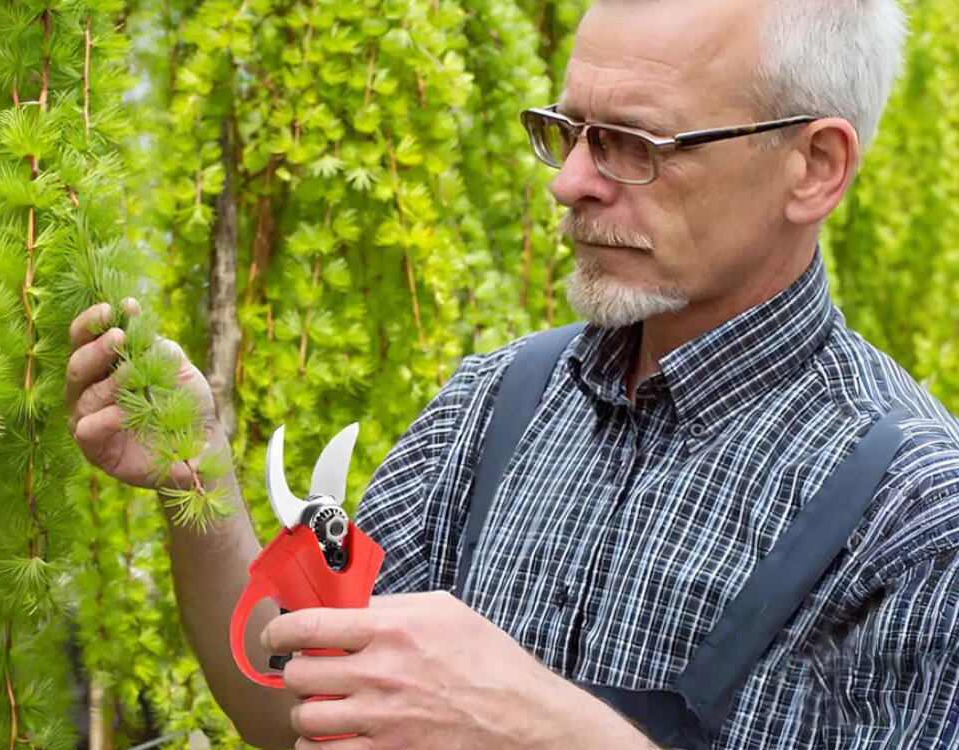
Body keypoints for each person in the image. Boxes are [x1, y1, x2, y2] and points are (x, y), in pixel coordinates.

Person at [65, 0, 959, 748]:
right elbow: (298, 707)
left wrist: (544, 729)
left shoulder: (917, 510)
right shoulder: (496, 404)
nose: (572, 182)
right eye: (565, 131)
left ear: (816, 166)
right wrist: (200, 484)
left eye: (633, 144)